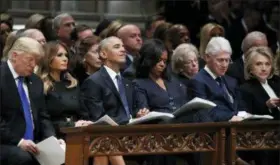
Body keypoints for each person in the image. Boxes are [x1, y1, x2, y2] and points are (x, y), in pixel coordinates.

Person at [80, 36, 149, 165]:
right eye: (117, 47)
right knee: (106, 144)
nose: (123, 50)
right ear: (103, 54)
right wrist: (127, 122)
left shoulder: (127, 82)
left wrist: (139, 114)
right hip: (109, 135)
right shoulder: (94, 82)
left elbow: (132, 110)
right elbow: (98, 118)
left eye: (123, 46)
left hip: (131, 134)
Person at [0, 37, 61, 165]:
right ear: (15, 56)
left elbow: (43, 116)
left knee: (63, 155)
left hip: (34, 143)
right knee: (22, 158)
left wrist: (52, 140)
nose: (34, 65)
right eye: (30, 60)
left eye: (37, 61)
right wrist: (19, 142)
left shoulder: (36, 81)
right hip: (6, 143)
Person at [188, 37, 246, 122]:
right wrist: (231, 117)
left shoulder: (231, 81)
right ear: (207, 57)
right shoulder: (197, 81)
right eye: (220, 60)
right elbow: (205, 113)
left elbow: (240, 106)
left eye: (227, 60)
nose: (224, 65)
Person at [240, 46, 280, 120]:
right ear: (250, 68)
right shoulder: (245, 89)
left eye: (267, 64)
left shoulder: (276, 84)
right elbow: (247, 116)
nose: (264, 68)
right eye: (258, 64)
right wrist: (267, 106)